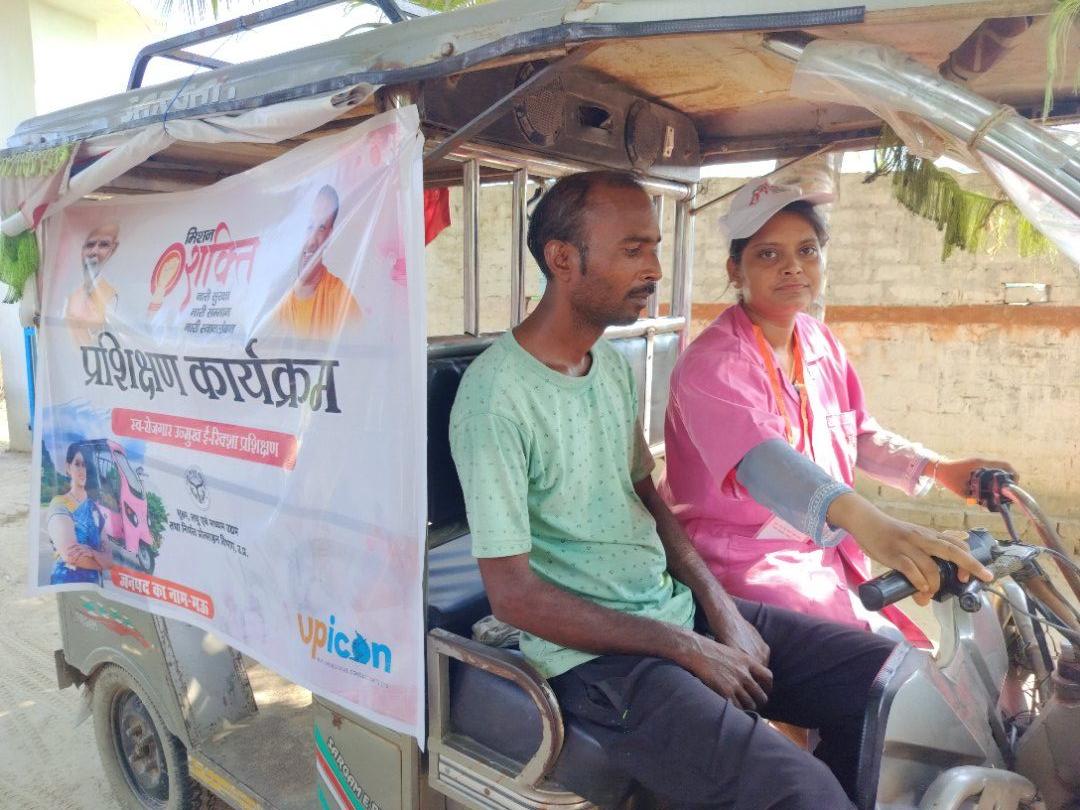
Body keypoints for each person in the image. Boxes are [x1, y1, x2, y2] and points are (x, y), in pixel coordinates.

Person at [449, 171, 992, 809]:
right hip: (594, 660)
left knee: (892, 684)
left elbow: (648, 498)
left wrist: (721, 611)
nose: (655, 269)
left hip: (673, 608)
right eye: (633, 250)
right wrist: (685, 646)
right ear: (563, 259)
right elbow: (514, 598)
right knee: (801, 790)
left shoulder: (609, 367)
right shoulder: (497, 397)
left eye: (655, 248)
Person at [659, 177, 1016, 644]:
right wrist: (873, 525)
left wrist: (940, 468)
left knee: (907, 655)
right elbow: (763, 462)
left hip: (823, 552)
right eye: (768, 254)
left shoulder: (818, 341)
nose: (793, 267)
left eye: (807, 250)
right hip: (743, 564)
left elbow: (856, 433)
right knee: (877, 664)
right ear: (735, 269)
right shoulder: (714, 363)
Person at [273, 184, 361, 339]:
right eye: (309, 226)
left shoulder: (340, 300)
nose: (312, 241)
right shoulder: (279, 306)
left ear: (330, 235)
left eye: (321, 228)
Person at [48, 443, 112, 586]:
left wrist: (92, 553)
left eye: (85, 465)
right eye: (77, 464)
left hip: (95, 584)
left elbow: (109, 559)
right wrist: (101, 563)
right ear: (68, 467)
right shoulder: (59, 504)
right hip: (66, 582)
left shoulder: (94, 509)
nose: (82, 470)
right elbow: (70, 556)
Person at [64, 223, 120, 345]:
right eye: (90, 245)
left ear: (113, 248)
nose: (94, 252)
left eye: (104, 245)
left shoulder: (111, 293)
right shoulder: (70, 290)